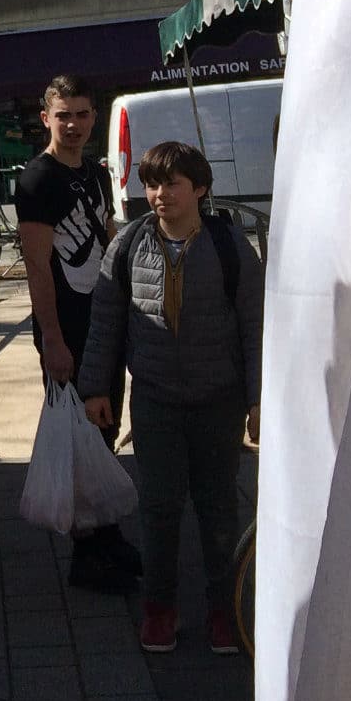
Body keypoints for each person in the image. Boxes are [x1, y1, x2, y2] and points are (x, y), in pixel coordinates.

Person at [75, 142, 263, 655]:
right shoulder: (130, 243)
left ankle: (224, 611)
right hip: (155, 399)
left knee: (218, 507)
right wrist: (94, 388)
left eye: (172, 184)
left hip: (218, 399)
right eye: (152, 184)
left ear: (200, 188)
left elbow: (254, 325)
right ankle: (160, 609)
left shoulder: (229, 246)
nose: (159, 195)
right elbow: (106, 322)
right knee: (158, 507)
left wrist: (257, 400)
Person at [13, 75, 138, 592]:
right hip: (68, 330)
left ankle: (105, 533)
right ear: (47, 117)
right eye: (64, 115)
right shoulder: (37, 181)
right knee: (82, 431)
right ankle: (87, 550)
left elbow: (108, 238)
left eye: (83, 114)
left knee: (105, 425)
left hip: (103, 321)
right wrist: (54, 341)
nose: (74, 125)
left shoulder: (93, 172)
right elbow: (38, 268)